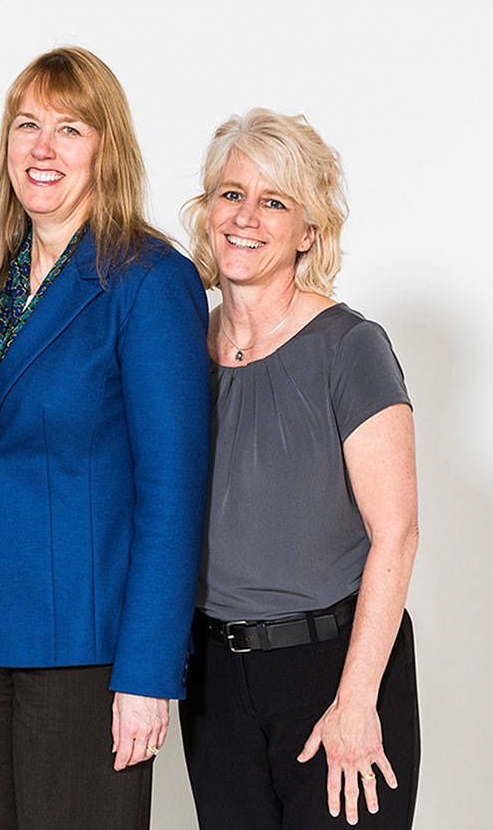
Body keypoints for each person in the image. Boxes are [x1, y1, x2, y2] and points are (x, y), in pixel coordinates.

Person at [0, 47, 211, 828]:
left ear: (105, 148)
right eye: (27, 126)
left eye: (68, 128)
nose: (42, 148)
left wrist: (149, 672)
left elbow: (174, 492)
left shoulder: (149, 280)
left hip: (89, 648)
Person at [178, 108, 420, 828]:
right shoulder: (183, 343)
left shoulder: (350, 347)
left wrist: (356, 700)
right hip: (215, 679)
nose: (245, 216)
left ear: (307, 232)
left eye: (274, 201)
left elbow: (397, 534)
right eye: (231, 193)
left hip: (332, 670)